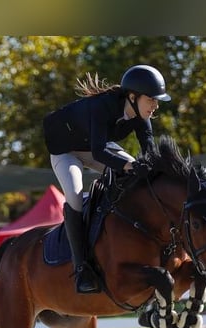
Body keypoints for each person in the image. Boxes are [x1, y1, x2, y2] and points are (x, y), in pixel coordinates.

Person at [43, 64, 171, 293]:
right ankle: (81, 267)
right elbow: (100, 152)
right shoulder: (102, 107)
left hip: (94, 146)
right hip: (66, 151)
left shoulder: (141, 115)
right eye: (151, 99)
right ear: (133, 96)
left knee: (137, 178)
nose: (156, 105)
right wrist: (130, 165)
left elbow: (150, 152)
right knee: (73, 193)